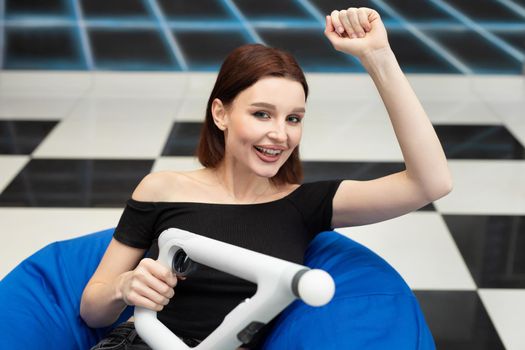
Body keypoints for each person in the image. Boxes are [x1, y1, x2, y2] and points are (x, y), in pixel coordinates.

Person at [81, 7, 452, 350]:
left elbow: (430, 183)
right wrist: (123, 287)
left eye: (294, 118)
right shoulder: (162, 188)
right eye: (262, 114)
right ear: (220, 114)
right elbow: (92, 310)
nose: (280, 133)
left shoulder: (304, 205)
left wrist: (378, 56)